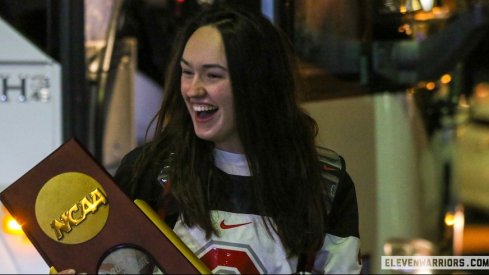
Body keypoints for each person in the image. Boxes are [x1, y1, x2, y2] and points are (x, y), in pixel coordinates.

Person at [59, 5, 361, 274]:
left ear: (257, 84)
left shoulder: (324, 183)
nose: (193, 90)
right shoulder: (150, 171)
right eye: (186, 72)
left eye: (213, 75)